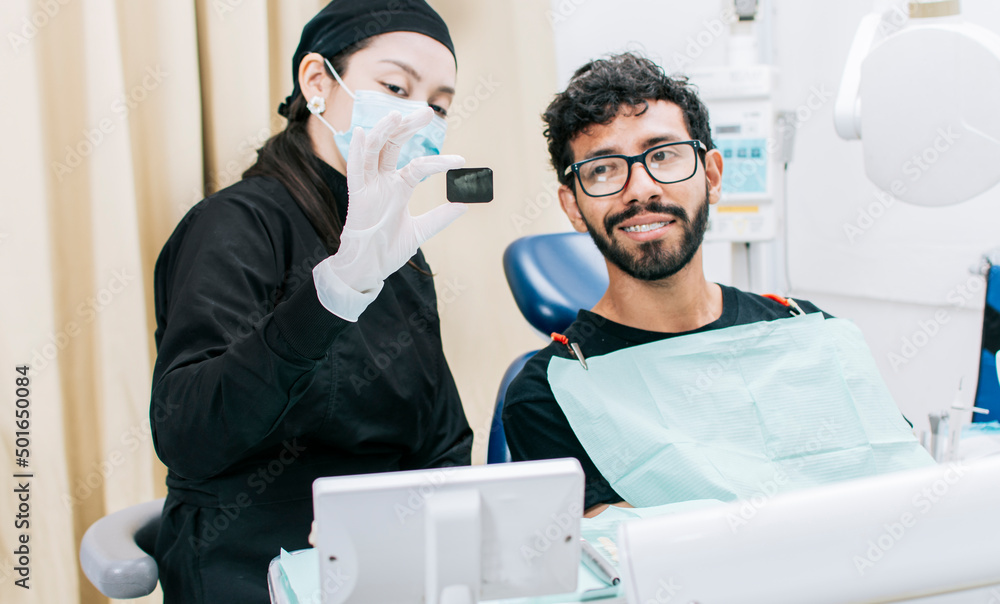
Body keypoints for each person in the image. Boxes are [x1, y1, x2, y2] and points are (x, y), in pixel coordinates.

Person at [503, 53, 932, 518]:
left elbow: (903, 488)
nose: (640, 189)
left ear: (711, 176)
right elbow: (626, 562)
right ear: (572, 205)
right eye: (603, 168)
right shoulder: (550, 395)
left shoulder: (807, 330)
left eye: (663, 155)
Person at [149, 1, 473, 601]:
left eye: (438, 105)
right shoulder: (233, 226)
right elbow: (189, 433)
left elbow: (443, 438)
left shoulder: (398, 250)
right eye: (395, 86)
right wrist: (334, 295)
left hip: (387, 558)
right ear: (318, 83)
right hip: (250, 553)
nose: (417, 115)